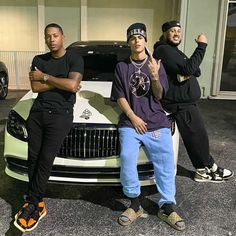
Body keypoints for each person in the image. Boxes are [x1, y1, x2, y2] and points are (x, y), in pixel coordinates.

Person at [111, 22, 186, 231]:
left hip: (156, 121)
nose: (137, 41)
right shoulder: (121, 66)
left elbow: (160, 95)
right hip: (130, 122)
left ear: (145, 40)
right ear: (129, 42)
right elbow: (119, 96)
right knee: (126, 157)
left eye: (140, 37)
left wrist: (154, 76)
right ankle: (135, 204)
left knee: (165, 160)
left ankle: (167, 206)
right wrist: (132, 117)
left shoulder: (155, 63)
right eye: (133, 38)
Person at [14, 23, 84, 232]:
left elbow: (72, 86)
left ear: (63, 37)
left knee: (45, 159)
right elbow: (36, 88)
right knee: (33, 158)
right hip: (37, 113)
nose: (52, 39)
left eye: (55, 35)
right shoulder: (38, 60)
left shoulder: (74, 58)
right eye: (48, 36)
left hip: (60, 116)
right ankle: (37, 202)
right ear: (45, 39)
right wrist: (63, 82)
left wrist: (46, 77)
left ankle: (32, 204)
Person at [153, 20, 234, 183]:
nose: (176, 33)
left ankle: (210, 166)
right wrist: (202, 46)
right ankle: (202, 171)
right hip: (180, 104)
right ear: (165, 34)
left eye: (178, 31)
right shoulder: (163, 50)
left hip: (186, 102)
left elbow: (195, 69)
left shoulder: (173, 51)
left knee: (199, 136)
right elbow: (189, 68)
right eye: (172, 31)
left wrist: (188, 69)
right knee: (196, 137)